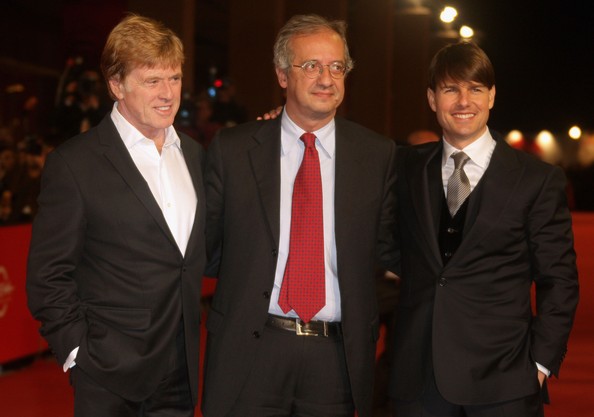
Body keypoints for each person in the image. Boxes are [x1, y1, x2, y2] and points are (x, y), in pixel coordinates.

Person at [201, 14, 398, 417]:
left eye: (337, 67)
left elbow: (389, 247)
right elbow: (208, 247)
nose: (326, 78)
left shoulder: (377, 155)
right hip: (251, 350)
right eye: (311, 66)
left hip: (336, 360)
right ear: (282, 75)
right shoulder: (234, 150)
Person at [26, 14, 207, 417]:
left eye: (174, 78)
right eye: (152, 80)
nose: (168, 93)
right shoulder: (75, 163)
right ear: (116, 85)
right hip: (109, 377)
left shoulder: (195, 156)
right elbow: (47, 276)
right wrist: (79, 353)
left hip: (181, 372)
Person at [389, 41, 579, 417]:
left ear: (491, 96)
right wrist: (285, 128)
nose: (464, 101)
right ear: (432, 98)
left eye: (475, 88)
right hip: (419, 379)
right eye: (450, 89)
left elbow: (559, 279)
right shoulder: (403, 166)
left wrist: (540, 364)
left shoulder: (537, 179)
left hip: (505, 381)